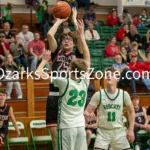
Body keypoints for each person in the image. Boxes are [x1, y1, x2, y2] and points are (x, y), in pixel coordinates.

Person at [36, 19, 90, 150]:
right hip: (55, 95)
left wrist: (76, 25)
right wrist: (59, 20)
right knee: (56, 138)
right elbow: (49, 35)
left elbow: (83, 46)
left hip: (68, 92)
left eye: (69, 39)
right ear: (61, 42)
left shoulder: (77, 54)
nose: (66, 41)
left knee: (66, 138)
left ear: (74, 43)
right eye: (64, 39)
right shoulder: (56, 52)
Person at [85, 67, 135, 149]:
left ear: (117, 79)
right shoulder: (98, 95)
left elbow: (132, 112)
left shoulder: (124, 94)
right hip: (103, 131)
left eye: (112, 75)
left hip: (119, 131)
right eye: (107, 74)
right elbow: (86, 111)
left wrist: (131, 130)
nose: (109, 76)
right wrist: (89, 115)